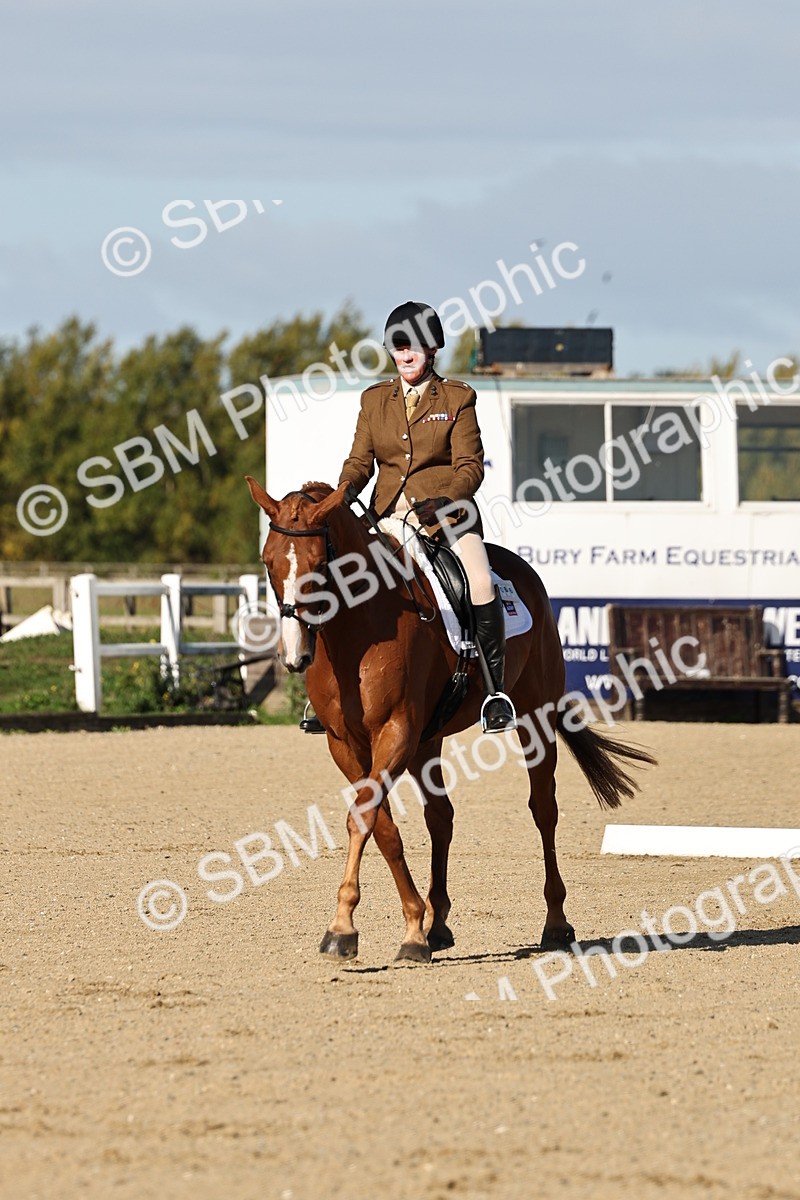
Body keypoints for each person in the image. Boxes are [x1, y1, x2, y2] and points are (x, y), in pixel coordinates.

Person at [337, 300, 517, 733]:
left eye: (415, 344)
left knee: (478, 580)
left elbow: (470, 465)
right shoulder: (374, 399)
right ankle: (333, 691)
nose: (406, 352)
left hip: (446, 519)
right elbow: (360, 462)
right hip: (385, 517)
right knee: (340, 578)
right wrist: (341, 495)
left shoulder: (457, 397)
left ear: (432, 348)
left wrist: (448, 501)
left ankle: (494, 694)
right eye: (399, 344)